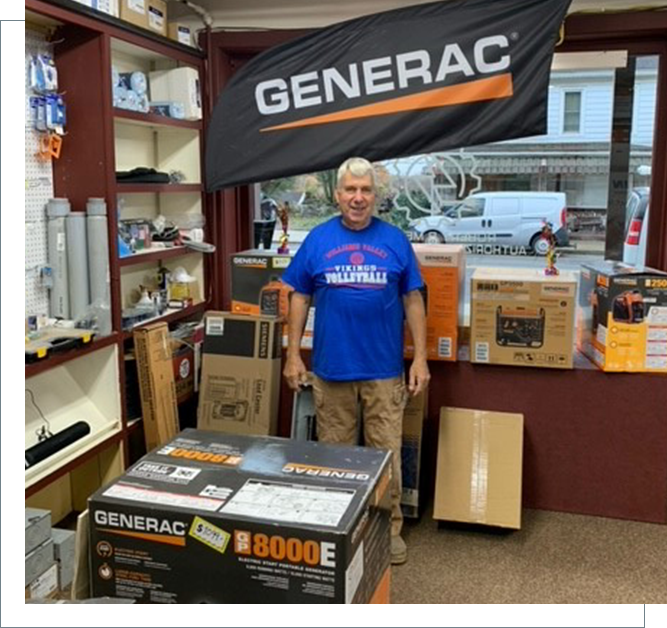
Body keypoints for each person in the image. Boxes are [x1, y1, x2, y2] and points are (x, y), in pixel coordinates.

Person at [282, 157, 430, 565]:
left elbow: (413, 298)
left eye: (366, 190)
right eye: (351, 190)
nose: (358, 198)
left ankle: (388, 529)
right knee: (336, 460)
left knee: (386, 458)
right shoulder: (317, 240)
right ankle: (340, 527)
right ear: (337, 194)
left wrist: (420, 359)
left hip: (384, 371)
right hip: (332, 369)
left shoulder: (395, 240)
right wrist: (293, 354)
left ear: (375, 196)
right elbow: (299, 296)